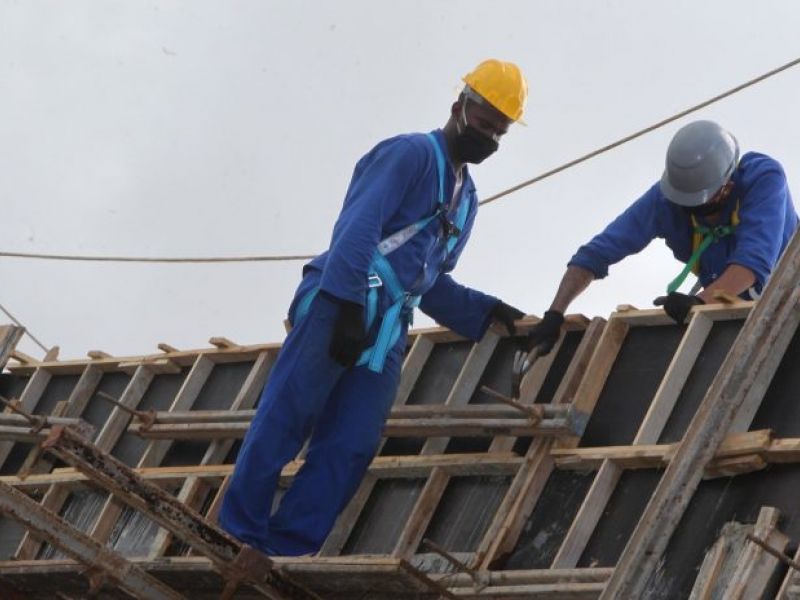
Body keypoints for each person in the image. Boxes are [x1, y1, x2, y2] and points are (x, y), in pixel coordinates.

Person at [219, 59, 529, 556]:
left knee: (352, 443)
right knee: (286, 416)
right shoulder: (409, 155)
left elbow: (428, 281)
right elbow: (357, 229)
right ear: (459, 107)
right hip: (342, 300)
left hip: (387, 328)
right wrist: (343, 306)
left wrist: (488, 310)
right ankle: (238, 533)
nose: (489, 135)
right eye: (484, 120)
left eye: (499, 130)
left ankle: (287, 549)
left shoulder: (466, 199)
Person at [527, 119, 798, 354]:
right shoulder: (667, 200)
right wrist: (555, 313)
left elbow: (752, 264)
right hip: (729, 310)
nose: (696, 211)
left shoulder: (762, 178)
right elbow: (595, 254)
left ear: (728, 185)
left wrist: (699, 301)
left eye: (703, 204)